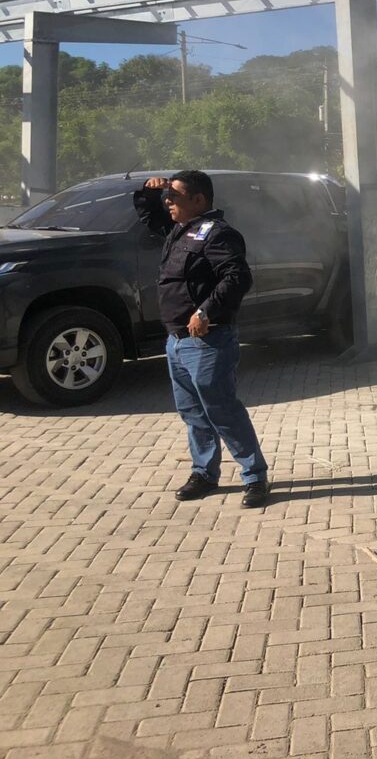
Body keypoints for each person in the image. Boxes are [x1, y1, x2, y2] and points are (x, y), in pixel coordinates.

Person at [134, 170, 270, 508]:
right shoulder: (179, 229)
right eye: (168, 197)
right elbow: (149, 216)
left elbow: (238, 277)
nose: (168, 203)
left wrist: (206, 311)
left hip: (208, 339)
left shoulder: (218, 234)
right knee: (192, 411)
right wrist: (152, 191)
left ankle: (254, 477)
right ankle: (204, 474)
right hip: (176, 340)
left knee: (221, 409)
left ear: (200, 200)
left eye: (175, 197)